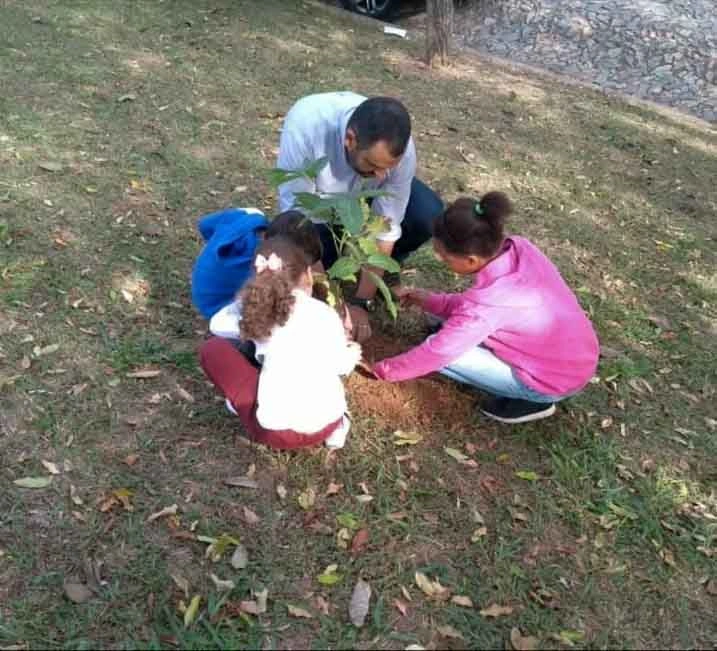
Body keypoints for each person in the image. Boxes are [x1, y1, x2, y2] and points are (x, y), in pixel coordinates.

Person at [370, 193, 600, 424]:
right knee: (451, 333)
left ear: (471, 260)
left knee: (447, 352)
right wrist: (431, 301)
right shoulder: (520, 249)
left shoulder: (489, 304)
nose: (440, 259)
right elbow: (477, 308)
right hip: (576, 359)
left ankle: (534, 401)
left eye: (444, 257)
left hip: (551, 381)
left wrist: (383, 370)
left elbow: (438, 352)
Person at [276, 91, 444, 317]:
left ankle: (382, 269)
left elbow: (387, 225)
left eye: (388, 168)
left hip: (363, 194)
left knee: (427, 213)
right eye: (373, 164)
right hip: (321, 202)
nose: (382, 176)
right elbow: (299, 217)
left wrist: (361, 301)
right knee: (318, 266)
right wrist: (328, 298)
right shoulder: (306, 126)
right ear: (350, 139)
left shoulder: (398, 150)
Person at [199, 237, 361, 450]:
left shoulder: (258, 312)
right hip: (326, 422)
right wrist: (351, 351)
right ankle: (339, 429)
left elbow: (216, 325)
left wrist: (245, 305)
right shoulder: (325, 313)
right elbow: (341, 366)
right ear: (309, 276)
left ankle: (240, 403)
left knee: (213, 349)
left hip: (275, 433)